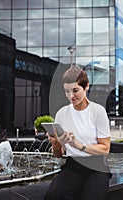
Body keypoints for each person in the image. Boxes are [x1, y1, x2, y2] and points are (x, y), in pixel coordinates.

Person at [44, 66, 111, 200]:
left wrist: (79, 145)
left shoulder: (98, 111)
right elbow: (58, 154)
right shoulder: (62, 114)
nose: (71, 96)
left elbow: (105, 148)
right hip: (72, 166)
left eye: (75, 90)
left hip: (97, 167)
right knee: (53, 195)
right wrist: (56, 143)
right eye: (67, 91)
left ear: (86, 86)